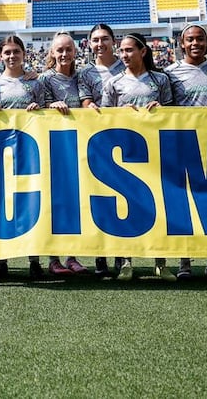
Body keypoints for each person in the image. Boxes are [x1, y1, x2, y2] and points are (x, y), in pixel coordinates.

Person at [100, 32, 174, 282]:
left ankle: (160, 263)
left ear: (143, 51)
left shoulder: (160, 79)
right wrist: (120, 113)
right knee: (128, 208)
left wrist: (161, 110)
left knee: (159, 206)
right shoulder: (113, 83)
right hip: (126, 155)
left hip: (156, 153)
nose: (124, 55)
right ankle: (126, 261)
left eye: (129, 50)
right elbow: (102, 118)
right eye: (121, 51)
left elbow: (174, 114)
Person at [164, 23, 207, 281]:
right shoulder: (170, 73)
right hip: (182, 144)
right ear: (181, 43)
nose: (195, 44)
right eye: (189, 39)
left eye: (199, 39)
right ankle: (185, 262)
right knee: (183, 204)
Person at [0, 34, 44, 279]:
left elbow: (46, 114)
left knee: (31, 202)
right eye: (7, 53)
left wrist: (37, 110)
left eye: (15, 52)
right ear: (1, 56)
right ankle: (1, 260)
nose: (11, 56)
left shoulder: (35, 83)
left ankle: (34, 259)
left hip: (29, 153)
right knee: (1, 203)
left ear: (23, 54)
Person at [38, 31, 89, 276]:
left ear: (75, 51)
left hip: (78, 147)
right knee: (54, 202)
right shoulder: (44, 79)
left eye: (68, 49)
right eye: (59, 50)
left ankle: (72, 255)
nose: (64, 54)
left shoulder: (83, 77)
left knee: (74, 203)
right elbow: (36, 107)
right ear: (52, 53)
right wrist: (51, 106)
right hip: (53, 147)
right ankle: (54, 258)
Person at [78, 22, 125, 278]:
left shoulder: (127, 64)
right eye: (95, 40)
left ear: (113, 41)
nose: (100, 44)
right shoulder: (86, 73)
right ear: (89, 43)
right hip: (97, 141)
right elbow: (84, 99)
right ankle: (100, 257)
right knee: (99, 197)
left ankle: (123, 256)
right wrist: (90, 107)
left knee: (125, 198)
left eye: (104, 39)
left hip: (128, 140)